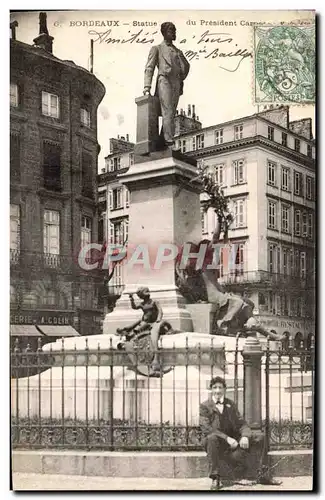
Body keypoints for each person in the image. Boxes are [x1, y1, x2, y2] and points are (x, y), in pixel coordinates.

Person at [176, 216, 285, 341]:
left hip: (221, 293)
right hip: (214, 296)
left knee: (248, 303)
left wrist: (224, 225)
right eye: (210, 249)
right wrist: (219, 220)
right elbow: (215, 238)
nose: (214, 251)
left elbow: (220, 242)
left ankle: (261, 332)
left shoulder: (211, 264)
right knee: (238, 302)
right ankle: (223, 325)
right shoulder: (200, 264)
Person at [199, 376, 252, 490]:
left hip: (231, 442)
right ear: (211, 390)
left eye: (220, 387)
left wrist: (245, 436)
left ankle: (261, 473)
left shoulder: (230, 404)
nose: (217, 390)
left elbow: (241, 422)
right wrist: (227, 438)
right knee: (212, 438)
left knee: (260, 437)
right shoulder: (204, 406)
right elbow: (207, 428)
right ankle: (215, 478)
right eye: (215, 388)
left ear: (224, 389)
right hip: (214, 442)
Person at [143, 22, 190, 147]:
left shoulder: (178, 51)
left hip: (176, 83)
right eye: (171, 30)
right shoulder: (157, 49)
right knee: (167, 111)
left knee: (171, 113)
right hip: (164, 81)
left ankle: (162, 140)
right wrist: (147, 87)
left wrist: (181, 74)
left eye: (174, 30)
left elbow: (186, 67)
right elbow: (149, 68)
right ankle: (169, 141)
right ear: (164, 32)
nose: (174, 33)